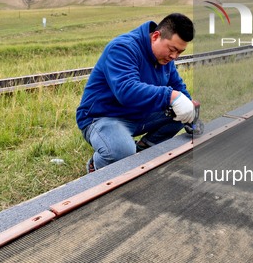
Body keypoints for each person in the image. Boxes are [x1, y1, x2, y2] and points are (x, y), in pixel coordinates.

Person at [76, 13, 196, 173]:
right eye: (172, 49)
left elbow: (177, 86)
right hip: (104, 117)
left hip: (139, 115)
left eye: (179, 52)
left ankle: (143, 151)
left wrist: (190, 112)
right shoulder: (123, 48)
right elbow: (126, 90)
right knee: (121, 151)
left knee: (182, 111)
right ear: (156, 36)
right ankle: (97, 166)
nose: (174, 56)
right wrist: (171, 96)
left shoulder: (165, 59)